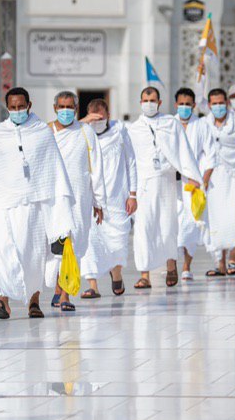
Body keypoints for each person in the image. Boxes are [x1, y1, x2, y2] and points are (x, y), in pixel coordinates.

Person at [0, 87, 75, 320]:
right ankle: (3, 301)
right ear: (7, 108)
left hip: (35, 204)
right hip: (4, 204)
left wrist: (58, 205)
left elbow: (53, 168)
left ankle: (34, 302)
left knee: (33, 253)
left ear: (29, 106)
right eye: (13, 107)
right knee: (3, 250)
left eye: (21, 107)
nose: (18, 111)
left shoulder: (42, 131)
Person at [126, 86, 203, 288]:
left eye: (152, 100)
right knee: (144, 229)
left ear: (160, 103)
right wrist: (131, 193)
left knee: (168, 226)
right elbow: (131, 162)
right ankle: (145, 275)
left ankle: (171, 266)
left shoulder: (171, 123)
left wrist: (192, 175)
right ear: (140, 102)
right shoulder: (134, 129)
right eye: (145, 100)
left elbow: (183, 151)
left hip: (167, 182)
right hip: (144, 185)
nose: (149, 104)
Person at [45, 91, 103, 312]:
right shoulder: (46, 133)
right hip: (53, 198)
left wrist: (99, 202)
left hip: (79, 198)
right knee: (56, 245)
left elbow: (96, 169)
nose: (66, 111)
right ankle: (59, 289)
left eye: (70, 107)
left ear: (77, 109)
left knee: (72, 244)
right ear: (55, 108)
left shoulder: (86, 132)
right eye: (61, 106)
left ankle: (65, 293)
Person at [80, 98, 138, 298]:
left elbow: (131, 162)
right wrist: (85, 122)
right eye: (93, 119)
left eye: (101, 118)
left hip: (117, 198)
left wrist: (133, 194)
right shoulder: (82, 134)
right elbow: (63, 135)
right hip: (91, 200)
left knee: (117, 241)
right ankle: (93, 285)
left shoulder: (119, 132)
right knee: (91, 241)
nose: (98, 122)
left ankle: (117, 274)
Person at [198, 87, 235, 277]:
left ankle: (233, 258)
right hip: (213, 178)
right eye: (214, 104)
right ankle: (220, 262)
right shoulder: (204, 124)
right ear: (209, 105)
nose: (218, 107)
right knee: (216, 219)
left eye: (221, 103)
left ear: (227, 103)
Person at [174, 87, 208, 280]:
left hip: (192, 184)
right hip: (172, 183)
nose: (185, 107)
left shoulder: (201, 126)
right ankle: (172, 264)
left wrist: (200, 178)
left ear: (194, 105)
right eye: (181, 104)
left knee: (192, 225)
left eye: (188, 104)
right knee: (173, 225)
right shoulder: (169, 124)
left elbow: (208, 154)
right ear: (175, 104)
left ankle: (186, 266)